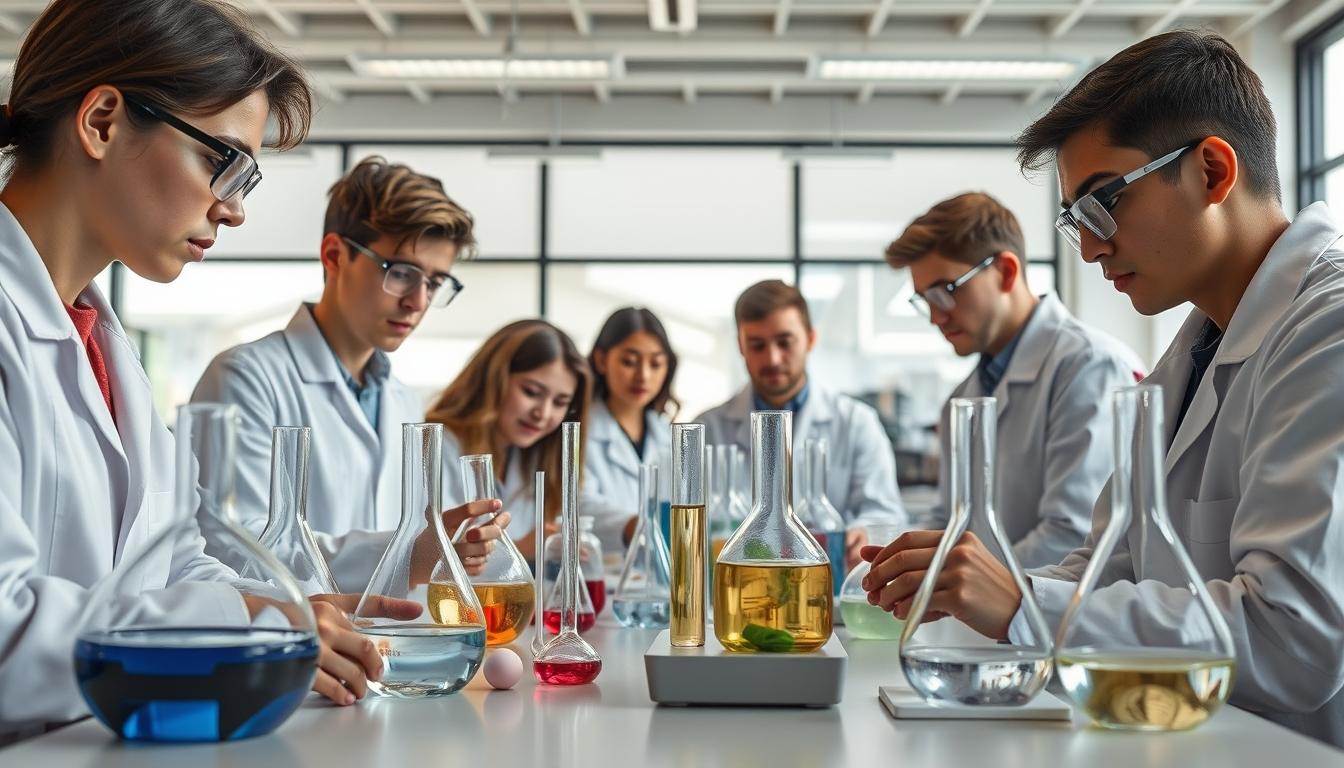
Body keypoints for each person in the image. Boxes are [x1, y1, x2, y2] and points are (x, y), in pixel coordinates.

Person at [862, 30, 1344, 747]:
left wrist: (1019, 603)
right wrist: (977, 589)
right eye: (1074, 220)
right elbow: (1103, 565)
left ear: (1212, 171)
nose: (1088, 247)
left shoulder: (1327, 327)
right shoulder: (1195, 351)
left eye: (1102, 203)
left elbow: (1292, 638)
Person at [0, 0, 393, 738]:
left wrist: (285, 618)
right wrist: (246, 621)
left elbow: (177, 564)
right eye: (223, 161)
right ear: (103, 121)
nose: (233, 210)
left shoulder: (102, 343)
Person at [192, 156, 507, 591]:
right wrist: (410, 554)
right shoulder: (246, 376)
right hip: (295, 644)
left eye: (434, 283)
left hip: (386, 642)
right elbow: (230, 547)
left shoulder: (402, 398)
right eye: (401, 273)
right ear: (335, 256)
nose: (418, 301)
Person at [884, 191, 1142, 569]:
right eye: (925, 300)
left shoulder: (1089, 366)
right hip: (984, 622)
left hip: (1060, 620)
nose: (936, 317)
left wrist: (965, 588)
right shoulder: (962, 397)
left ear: (1005, 271)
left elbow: (1073, 534)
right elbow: (948, 521)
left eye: (944, 292)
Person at [697, 280, 906, 568]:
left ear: (810, 338)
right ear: (741, 346)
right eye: (757, 345)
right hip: (742, 589)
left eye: (785, 342)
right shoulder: (708, 429)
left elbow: (885, 513)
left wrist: (864, 532)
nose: (772, 358)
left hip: (826, 587)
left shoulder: (857, 423)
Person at [426, 319, 624, 560]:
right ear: (493, 379)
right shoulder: (438, 449)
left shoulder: (531, 457)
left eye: (560, 403)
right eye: (531, 392)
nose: (543, 413)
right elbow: (429, 560)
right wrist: (521, 549)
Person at [582, 307, 677, 546]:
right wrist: (635, 526)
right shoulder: (581, 432)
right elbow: (579, 505)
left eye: (655, 364)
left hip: (658, 575)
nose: (643, 376)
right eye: (629, 361)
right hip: (600, 574)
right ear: (601, 360)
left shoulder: (666, 435)